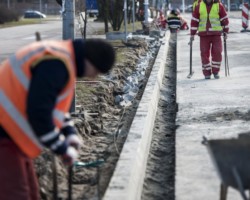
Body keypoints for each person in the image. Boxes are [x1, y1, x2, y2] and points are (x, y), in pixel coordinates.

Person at [0, 38, 115, 200]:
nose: (92, 77)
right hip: (5, 134)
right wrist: (61, 148)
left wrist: (69, 132)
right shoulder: (56, 65)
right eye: (96, 71)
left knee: (31, 194)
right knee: (16, 194)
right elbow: (39, 114)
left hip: (12, 134)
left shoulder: (63, 60)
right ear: (89, 61)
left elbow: (54, 109)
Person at [190, 0, 229, 79]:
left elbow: (224, 19)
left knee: (217, 52)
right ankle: (207, 72)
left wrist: (226, 32)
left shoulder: (218, 5)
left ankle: (216, 71)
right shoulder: (199, 6)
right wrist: (192, 34)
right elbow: (194, 21)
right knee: (204, 53)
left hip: (216, 34)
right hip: (204, 35)